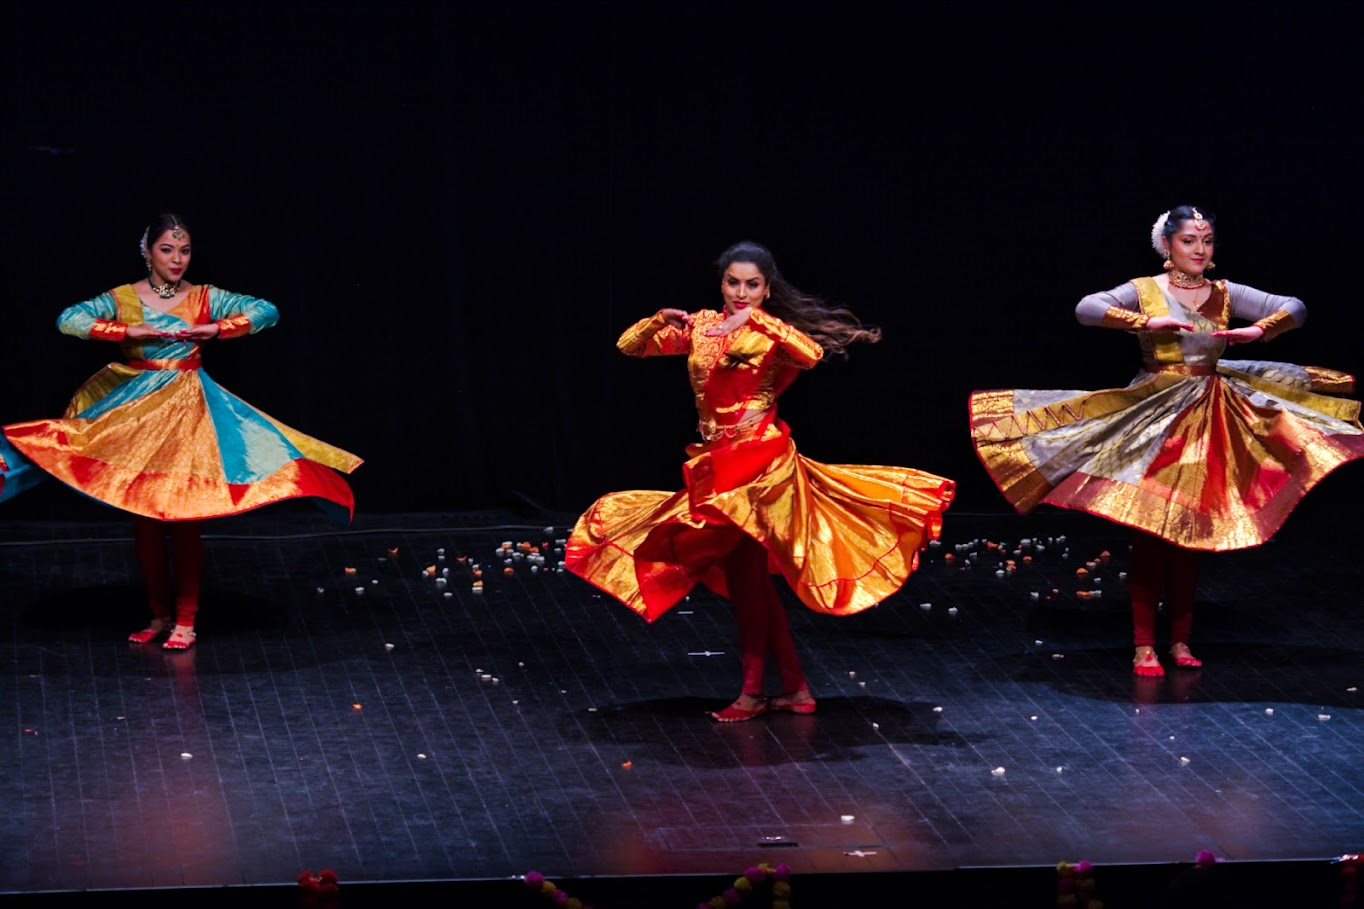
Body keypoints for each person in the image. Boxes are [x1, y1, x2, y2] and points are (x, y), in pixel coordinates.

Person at [567, 241, 955, 721]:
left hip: (760, 464)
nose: (742, 292)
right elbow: (630, 347)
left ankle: (754, 692)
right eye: (734, 282)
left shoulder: (769, 331)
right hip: (718, 462)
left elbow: (809, 354)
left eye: (753, 284)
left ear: (767, 289)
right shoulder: (704, 327)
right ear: (721, 283)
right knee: (751, 585)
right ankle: (794, 689)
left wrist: (757, 321)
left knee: (748, 583)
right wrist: (657, 320)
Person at [970, 205, 1364, 676]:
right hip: (1158, 414)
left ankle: (1179, 641)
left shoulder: (1223, 292)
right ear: (1168, 246)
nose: (1200, 250)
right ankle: (1142, 645)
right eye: (1189, 241)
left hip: (1212, 414)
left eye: (1208, 241)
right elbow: (1086, 308)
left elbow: (1295, 307)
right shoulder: (1145, 290)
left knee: (1188, 535)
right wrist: (1141, 322)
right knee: (1152, 534)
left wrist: (1259, 330)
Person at [2, 213, 363, 650]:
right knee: (145, 518)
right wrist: (123, 329)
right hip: (137, 415)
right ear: (148, 251)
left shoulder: (205, 297)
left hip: (188, 415)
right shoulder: (123, 298)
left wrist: (219, 328)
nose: (177, 260)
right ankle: (157, 615)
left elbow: (266, 310)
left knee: (185, 517)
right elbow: (68, 319)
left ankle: (186, 620)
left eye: (185, 250)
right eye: (167, 250)